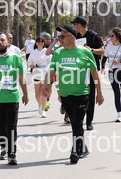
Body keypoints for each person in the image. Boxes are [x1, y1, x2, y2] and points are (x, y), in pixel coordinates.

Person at [43, 26, 104, 164]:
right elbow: (51, 71)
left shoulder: (85, 52)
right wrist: (47, 85)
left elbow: (95, 74)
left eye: (62, 36)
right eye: (59, 37)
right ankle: (84, 148)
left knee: (77, 122)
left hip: (82, 93)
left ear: (72, 37)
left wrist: (99, 93)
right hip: (65, 95)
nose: (60, 39)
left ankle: (75, 151)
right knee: (75, 124)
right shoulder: (58, 53)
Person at [0, 32, 29, 166]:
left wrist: (25, 93)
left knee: (12, 126)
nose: (0, 42)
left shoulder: (16, 58)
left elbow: (21, 78)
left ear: (8, 42)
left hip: (12, 97)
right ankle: (3, 146)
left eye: (3, 40)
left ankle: (12, 153)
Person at [72, 16, 105, 131]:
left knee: (90, 96)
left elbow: (102, 50)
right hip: (79, 70)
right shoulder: (76, 37)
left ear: (79, 24)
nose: (73, 26)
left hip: (91, 70)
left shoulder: (93, 35)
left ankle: (89, 121)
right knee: (79, 96)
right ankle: (79, 119)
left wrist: (91, 50)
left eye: (74, 24)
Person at [27, 37, 51, 117]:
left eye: (42, 42)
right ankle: (40, 105)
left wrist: (48, 69)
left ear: (43, 43)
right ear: (36, 43)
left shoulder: (47, 51)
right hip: (36, 74)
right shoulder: (33, 52)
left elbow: (50, 62)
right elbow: (29, 63)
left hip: (45, 74)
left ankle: (43, 110)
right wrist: (33, 66)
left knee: (44, 92)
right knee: (37, 94)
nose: (40, 43)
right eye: (38, 42)